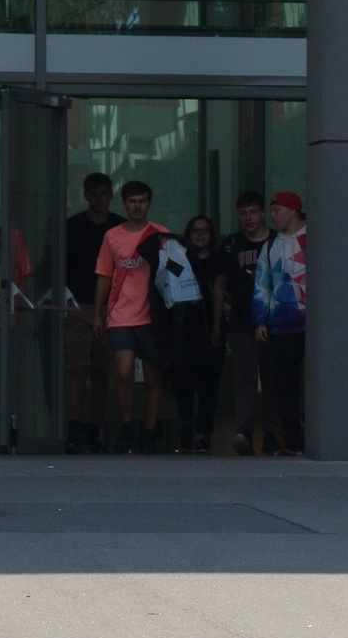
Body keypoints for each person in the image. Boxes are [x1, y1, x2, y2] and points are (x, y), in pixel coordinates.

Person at [93, 180, 171, 454]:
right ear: (124, 204)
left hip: (152, 316)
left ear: (148, 203)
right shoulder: (112, 236)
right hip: (121, 314)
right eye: (132, 201)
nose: (137, 206)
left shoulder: (160, 233)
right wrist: (98, 314)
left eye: (142, 201)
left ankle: (149, 432)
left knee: (153, 377)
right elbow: (104, 275)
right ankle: (128, 427)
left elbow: (175, 270)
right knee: (123, 371)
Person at [142, 216, 228, 454]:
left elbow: (219, 291)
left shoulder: (218, 258)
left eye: (205, 231)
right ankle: (187, 424)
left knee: (209, 385)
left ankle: (203, 434)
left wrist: (217, 325)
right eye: (195, 230)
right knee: (182, 383)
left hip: (208, 328)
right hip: (180, 331)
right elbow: (147, 252)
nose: (200, 235)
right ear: (188, 234)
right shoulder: (175, 255)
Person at [64, 173, 119, 454]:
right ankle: (73, 430)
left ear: (110, 195)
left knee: (102, 371)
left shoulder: (119, 228)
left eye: (103, 194)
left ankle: (94, 432)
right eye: (94, 194)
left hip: (111, 308)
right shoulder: (72, 227)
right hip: (78, 305)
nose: (98, 199)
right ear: (86, 196)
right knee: (78, 368)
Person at [222, 192, 279, 456]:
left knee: (271, 379)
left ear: (263, 213)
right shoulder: (232, 244)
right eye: (244, 213)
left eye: (253, 212)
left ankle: (271, 433)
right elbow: (220, 283)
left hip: (274, 323)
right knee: (244, 378)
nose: (249, 218)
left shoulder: (277, 242)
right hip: (241, 322)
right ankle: (244, 431)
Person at [252, 191, 307, 455]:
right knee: (285, 386)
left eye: (277, 210)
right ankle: (294, 441)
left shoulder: (312, 239)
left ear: (292, 211)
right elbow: (262, 285)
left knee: (310, 385)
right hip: (281, 327)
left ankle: (311, 437)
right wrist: (260, 319)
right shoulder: (270, 245)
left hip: (310, 327)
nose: (272, 216)